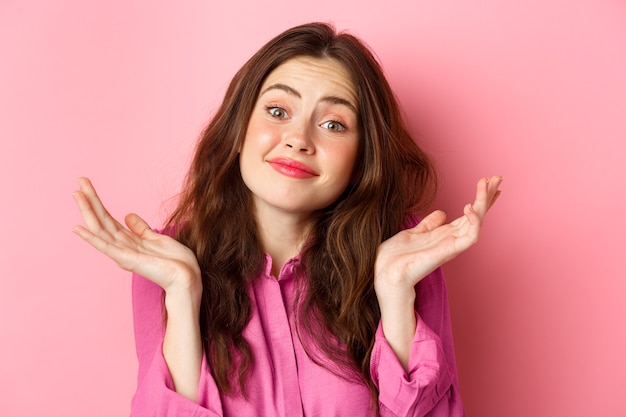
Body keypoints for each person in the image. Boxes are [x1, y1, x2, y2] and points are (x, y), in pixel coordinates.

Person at [72, 22, 501, 417]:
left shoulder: (406, 253)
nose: (298, 140)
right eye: (278, 112)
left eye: (334, 124)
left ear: (361, 157)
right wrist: (183, 296)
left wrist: (394, 295)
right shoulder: (168, 263)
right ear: (239, 130)